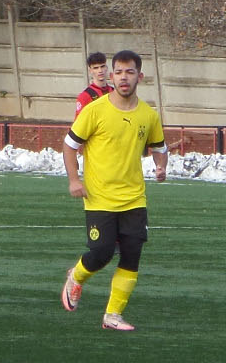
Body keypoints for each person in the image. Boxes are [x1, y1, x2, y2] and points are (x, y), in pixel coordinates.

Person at [60, 48, 168, 332]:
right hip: (99, 198)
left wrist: (160, 166)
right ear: (111, 76)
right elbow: (69, 146)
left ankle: (113, 315)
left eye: (129, 72)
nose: (123, 77)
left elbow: (160, 147)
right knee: (101, 253)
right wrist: (74, 180)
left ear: (139, 77)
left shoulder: (148, 115)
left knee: (131, 256)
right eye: (118, 72)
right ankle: (76, 277)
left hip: (134, 198)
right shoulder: (94, 110)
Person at [76, 51, 112, 115]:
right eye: (96, 68)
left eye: (102, 66)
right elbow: (79, 120)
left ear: (106, 67)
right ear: (90, 70)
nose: (100, 71)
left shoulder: (114, 92)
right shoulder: (84, 96)